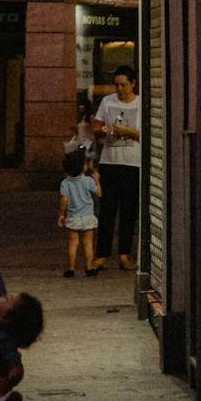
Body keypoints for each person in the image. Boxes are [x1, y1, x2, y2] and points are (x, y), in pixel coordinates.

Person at [92, 65, 141, 271]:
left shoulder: (141, 104)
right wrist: (106, 130)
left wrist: (127, 131)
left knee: (128, 211)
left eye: (124, 84)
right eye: (117, 85)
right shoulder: (107, 101)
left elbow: (143, 133)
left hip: (132, 163)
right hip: (109, 163)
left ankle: (124, 254)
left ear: (133, 83)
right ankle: (102, 255)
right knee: (107, 211)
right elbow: (95, 127)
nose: (120, 89)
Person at [58, 148, 101, 276]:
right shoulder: (88, 181)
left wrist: (61, 214)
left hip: (73, 216)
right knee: (88, 243)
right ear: (83, 167)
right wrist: (97, 180)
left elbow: (64, 200)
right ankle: (89, 267)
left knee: (73, 243)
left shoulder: (65, 183)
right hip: (88, 216)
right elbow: (99, 193)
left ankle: (71, 268)